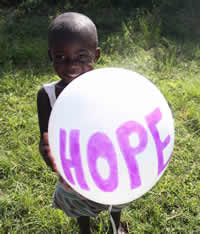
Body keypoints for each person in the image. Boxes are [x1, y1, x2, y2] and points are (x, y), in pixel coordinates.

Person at [37, 12, 127, 234]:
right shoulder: (47, 95)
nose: (72, 66)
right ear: (51, 55)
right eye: (61, 57)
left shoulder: (108, 88)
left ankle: (116, 226)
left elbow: (120, 125)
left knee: (115, 199)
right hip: (73, 175)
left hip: (108, 166)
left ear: (96, 55)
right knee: (79, 206)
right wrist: (50, 156)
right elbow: (47, 137)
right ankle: (84, 228)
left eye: (82, 57)